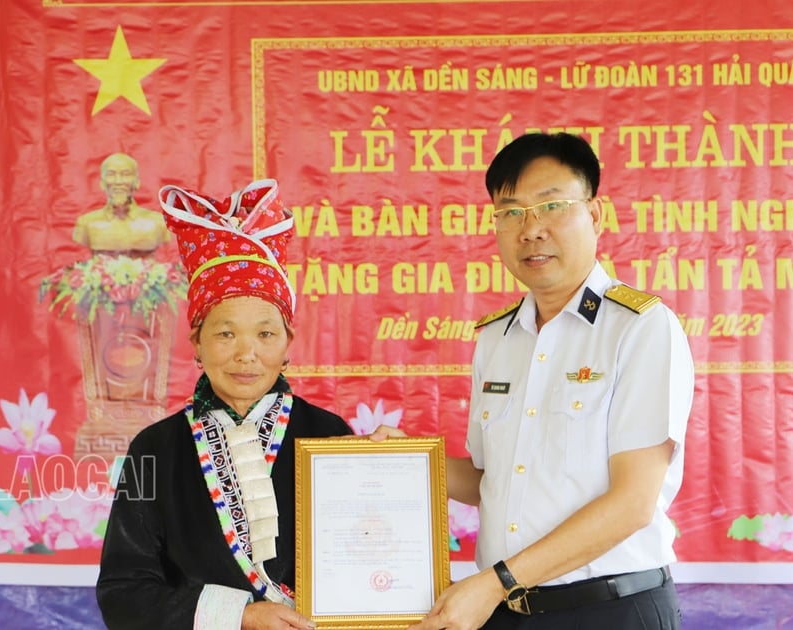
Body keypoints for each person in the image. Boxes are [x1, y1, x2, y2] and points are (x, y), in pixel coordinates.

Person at [373, 132, 694, 629]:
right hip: (508, 613)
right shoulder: (497, 340)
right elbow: (490, 480)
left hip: (609, 611)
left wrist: (495, 581)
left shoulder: (639, 327)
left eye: (552, 207)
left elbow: (633, 503)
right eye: (511, 212)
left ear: (595, 214)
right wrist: (412, 460)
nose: (531, 229)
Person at [97, 179, 352, 629]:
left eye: (266, 333)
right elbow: (124, 593)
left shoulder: (330, 436)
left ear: (289, 344)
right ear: (196, 342)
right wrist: (239, 617)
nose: (246, 354)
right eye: (225, 332)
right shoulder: (154, 449)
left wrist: (388, 464)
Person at [72, 152, 170, 255]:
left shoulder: (159, 223)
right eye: (111, 174)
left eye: (126, 174)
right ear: (102, 183)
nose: (118, 181)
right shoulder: (86, 223)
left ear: (137, 182)